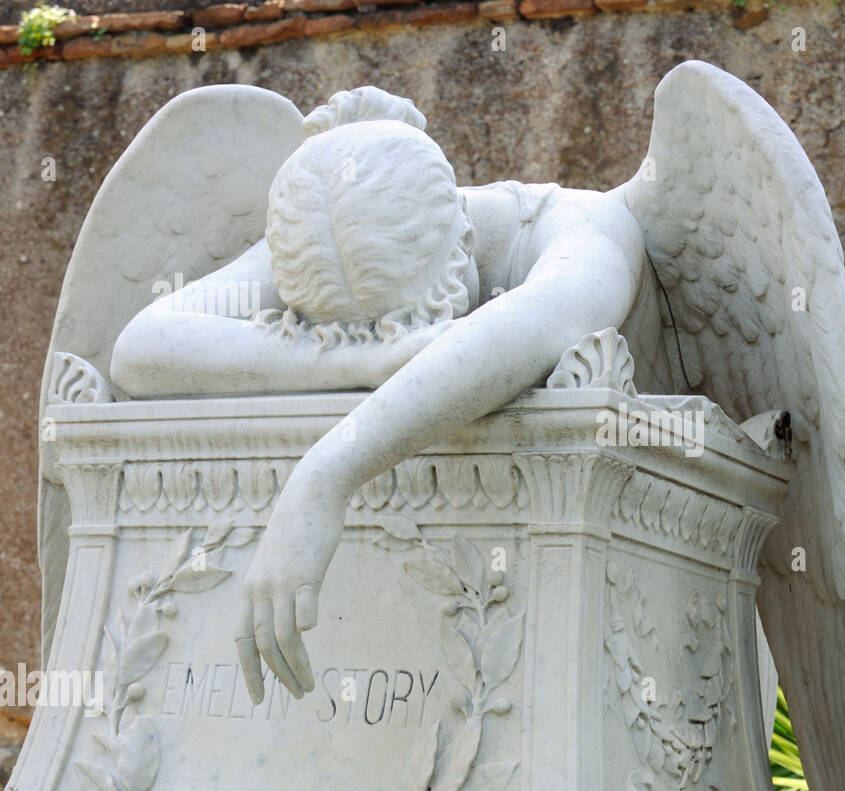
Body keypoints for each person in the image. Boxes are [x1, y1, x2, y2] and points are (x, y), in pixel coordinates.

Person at [110, 87, 664, 705]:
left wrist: (326, 474)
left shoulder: (585, 225)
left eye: (403, 326)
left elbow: (546, 321)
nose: (388, 350)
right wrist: (368, 357)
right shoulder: (330, 222)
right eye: (341, 332)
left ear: (462, 241)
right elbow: (142, 346)